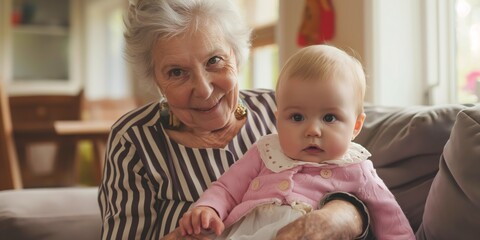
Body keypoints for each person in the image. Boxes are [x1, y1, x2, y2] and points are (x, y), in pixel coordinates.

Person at [99, 0, 370, 239]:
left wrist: (343, 215)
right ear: (155, 79)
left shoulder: (287, 111)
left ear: (237, 56)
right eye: (177, 72)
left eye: (214, 60)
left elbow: (359, 181)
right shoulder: (134, 139)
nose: (204, 89)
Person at [177, 45, 415, 239]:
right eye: (297, 117)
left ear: (355, 126)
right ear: (277, 119)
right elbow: (227, 188)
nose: (312, 130)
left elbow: (390, 220)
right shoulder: (266, 151)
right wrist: (208, 208)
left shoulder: (357, 168)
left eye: (329, 118)